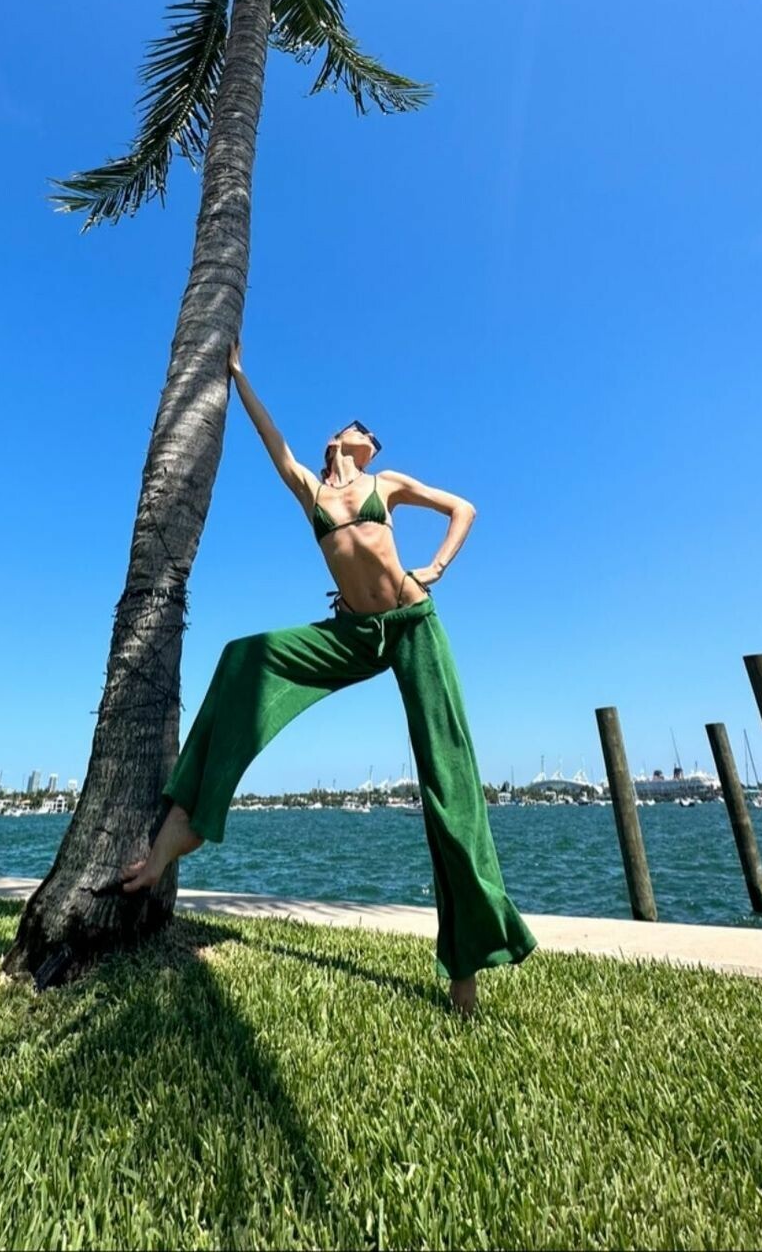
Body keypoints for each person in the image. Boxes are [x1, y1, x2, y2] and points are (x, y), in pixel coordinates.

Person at [120, 339, 538, 1014]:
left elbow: (463, 508)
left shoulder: (386, 483)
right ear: (340, 439)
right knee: (244, 657)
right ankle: (184, 825)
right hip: (353, 636)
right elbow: (273, 443)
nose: (370, 437)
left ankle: (467, 969)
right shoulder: (313, 490)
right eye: (363, 428)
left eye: (373, 436)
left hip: (413, 626)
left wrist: (434, 569)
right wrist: (239, 376)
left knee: (448, 780)